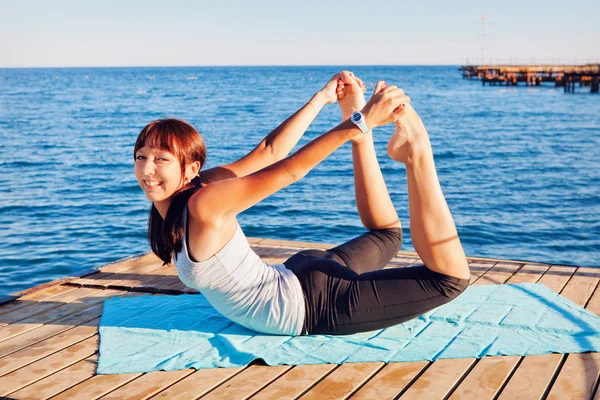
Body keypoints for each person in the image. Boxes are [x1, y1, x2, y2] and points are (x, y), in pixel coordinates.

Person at [133, 72, 470, 336]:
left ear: (190, 169)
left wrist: (356, 118)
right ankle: (365, 137)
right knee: (387, 233)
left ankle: (417, 152)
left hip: (311, 306)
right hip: (299, 277)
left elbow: (287, 167)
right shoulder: (185, 196)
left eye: (161, 159)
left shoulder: (205, 202)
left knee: (449, 280)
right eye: (141, 157)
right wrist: (332, 105)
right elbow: (270, 151)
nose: (147, 169)